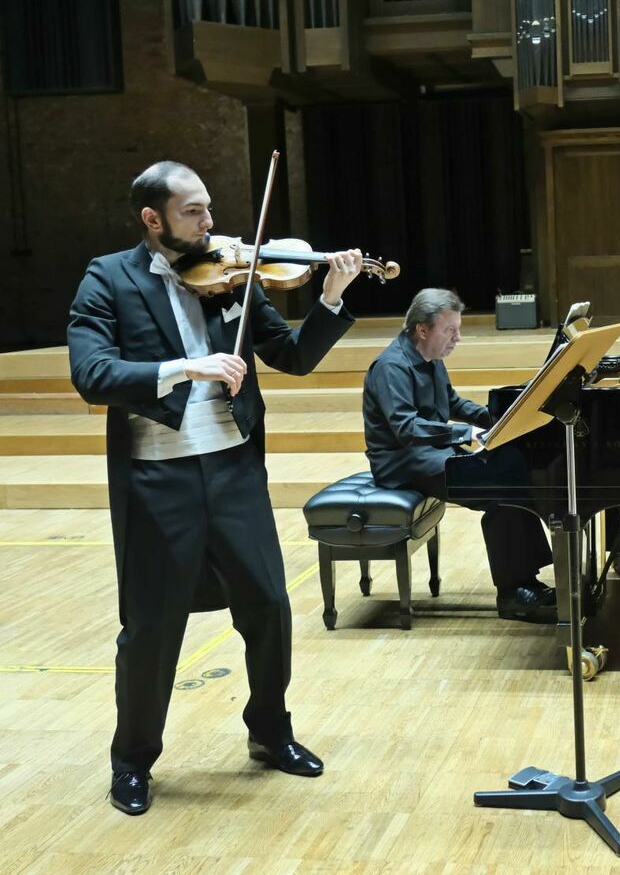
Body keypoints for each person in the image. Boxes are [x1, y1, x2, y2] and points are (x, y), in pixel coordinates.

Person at [68, 161, 363, 816]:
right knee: (151, 628)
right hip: (157, 482)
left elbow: (291, 355)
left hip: (233, 474)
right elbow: (90, 373)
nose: (210, 223)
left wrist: (333, 298)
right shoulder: (107, 279)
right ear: (153, 219)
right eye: (193, 213)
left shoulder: (231, 274)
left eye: (208, 208)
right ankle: (133, 761)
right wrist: (185, 367)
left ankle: (270, 732)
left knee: (268, 607)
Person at [361, 287, 556, 624]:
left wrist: (497, 417)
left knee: (511, 464)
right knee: (501, 481)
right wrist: (466, 433)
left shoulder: (430, 358)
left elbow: (451, 403)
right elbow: (406, 429)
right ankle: (514, 592)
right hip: (403, 463)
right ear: (423, 330)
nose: (458, 338)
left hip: (431, 453)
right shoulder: (391, 367)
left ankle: (526, 583)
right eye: (450, 330)